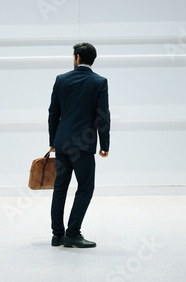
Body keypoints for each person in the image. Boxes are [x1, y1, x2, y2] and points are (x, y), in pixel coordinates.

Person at [48, 43, 111, 248]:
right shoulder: (99, 82)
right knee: (85, 188)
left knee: (60, 188)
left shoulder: (61, 80)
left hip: (62, 143)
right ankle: (72, 233)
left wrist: (53, 142)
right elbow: (103, 116)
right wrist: (105, 144)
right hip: (83, 146)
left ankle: (57, 235)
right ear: (92, 59)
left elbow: (53, 113)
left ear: (76, 57)